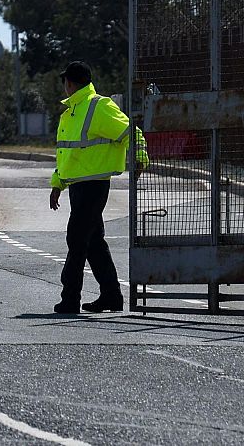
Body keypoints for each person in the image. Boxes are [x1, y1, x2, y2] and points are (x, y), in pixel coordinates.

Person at [49, 61, 147, 315]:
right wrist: (57, 184)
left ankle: (70, 299)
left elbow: (130, 132)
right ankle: (111, 297)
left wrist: (141, 156)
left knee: (77, 239)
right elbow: (67, 155)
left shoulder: (97, 106)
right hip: (78, 187)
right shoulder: (71, 112)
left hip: (94, 185)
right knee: (93, 243)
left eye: (65, 82)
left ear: (69, 83)